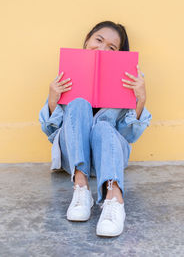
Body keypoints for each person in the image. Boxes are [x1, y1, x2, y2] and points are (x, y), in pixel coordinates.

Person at [39, 21, 152, 237]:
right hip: (72, 159)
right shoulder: (67, 72)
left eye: (112, 47)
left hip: (108, 156)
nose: (102, 48)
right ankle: (81, 189)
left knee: (102, 126)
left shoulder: (129, 79)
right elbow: (52, 132)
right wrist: (54, 98)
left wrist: (140, 98)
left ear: (119, 54)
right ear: (87, 41)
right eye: (98, 40)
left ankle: (114, 199)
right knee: (79, 103)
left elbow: (127, 136)